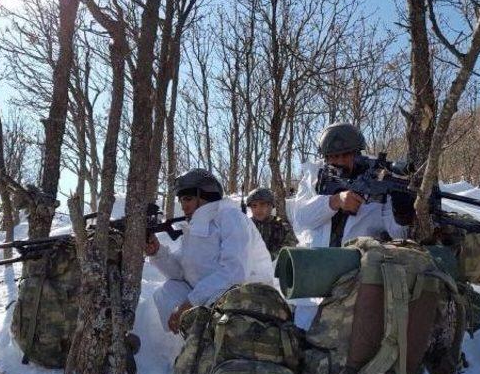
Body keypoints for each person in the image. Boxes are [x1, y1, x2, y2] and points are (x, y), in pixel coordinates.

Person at [146, 168, 274, 334]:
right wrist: (158, 253)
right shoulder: (196, 227)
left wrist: (190, 303)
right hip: (214, 299)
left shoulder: (231, 217)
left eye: (188, 199)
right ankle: (194, 345)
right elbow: (181, 272)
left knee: (193, 305)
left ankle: (209, 347)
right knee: (168, 291)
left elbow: (234, 272)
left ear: (204, 196)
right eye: (181, 200)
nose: (183, 206)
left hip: (247, 301)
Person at [294, 122, 413, 248]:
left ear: (357, 154)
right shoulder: (314, 175)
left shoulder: (378, 179)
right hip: (313, 258)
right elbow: (301, 218)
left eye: (346, 154)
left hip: (359, 262)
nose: (340, 161)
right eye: (334, 156)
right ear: (326, 158)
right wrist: (335, 201)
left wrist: (402, 214)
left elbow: (399, 235)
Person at [246, 187, 298, 259]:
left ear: (271, 206)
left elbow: (289, 251)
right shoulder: (246, 226)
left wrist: (267, 258)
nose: (258, 209)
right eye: (254, 206)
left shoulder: (282, 226)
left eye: (262, 204)